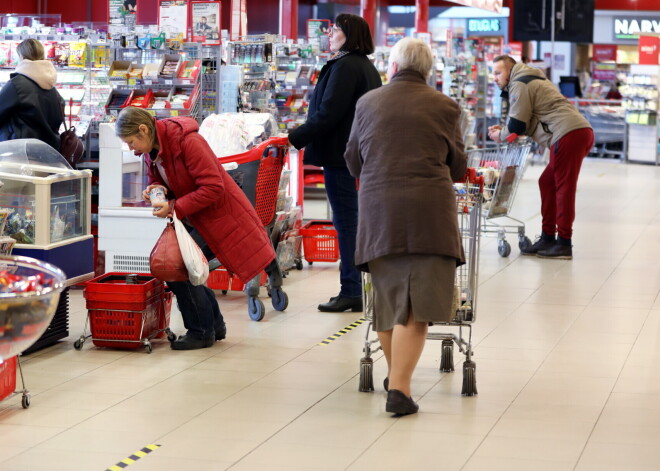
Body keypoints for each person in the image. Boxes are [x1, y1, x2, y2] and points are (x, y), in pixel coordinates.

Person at [345, 38, 467, 415]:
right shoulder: (446, 106)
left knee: (387, 302)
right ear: (428, 71)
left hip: (379, 212)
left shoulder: (367, 103)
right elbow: (458, 167)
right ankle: (399, 389)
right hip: (430, 214)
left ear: (393, 67)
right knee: (417, 309)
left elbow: (352, 159)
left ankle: (396, 378)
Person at [115, 107, 278, 350]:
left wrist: (173, 207)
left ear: (144, 129)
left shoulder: (188, 142)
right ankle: (213, 325)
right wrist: (157, 190)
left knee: (178, 267)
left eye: (131, 141)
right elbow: (160, 177)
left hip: (221, 219)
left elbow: (213, 187)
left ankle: (201, 331)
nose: (132, 148)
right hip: (196, 218)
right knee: (187, 267)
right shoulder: (153, 149)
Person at [288, 13, 382, 313]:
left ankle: (351, 289)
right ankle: (357, 287)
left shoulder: (346, 67)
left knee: (346, 222)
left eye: (335, 30)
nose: (330, 34)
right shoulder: (365, 67)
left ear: (349, 34)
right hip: (356, 155)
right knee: (353, 220)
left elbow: (328, 113)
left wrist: (294, 138)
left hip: (340, 157)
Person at [488, 55, 593, 260]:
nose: (495, 78)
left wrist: (499, 135)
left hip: (568, 135)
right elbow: (524, 122)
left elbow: (516, 128)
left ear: (510, 70)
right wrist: (505, 130)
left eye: (498, 72)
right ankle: (547, 237)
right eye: (493, 73)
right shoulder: (531, 78)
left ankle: (564, 243)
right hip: (575, 132)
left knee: (563, 188)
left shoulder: (520, 83)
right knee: (547, 182)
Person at [0, 39, 63, 151]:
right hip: (49, 150)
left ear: (22, 57)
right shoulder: (51, 86)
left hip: (21, 151)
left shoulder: (17, 85)